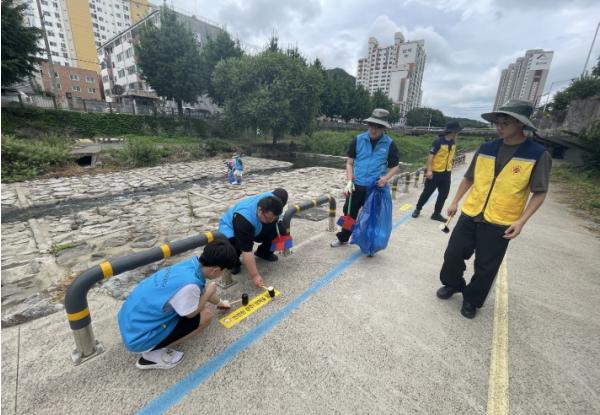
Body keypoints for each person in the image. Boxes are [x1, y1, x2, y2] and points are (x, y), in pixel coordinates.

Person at [435, 100, 552, 319]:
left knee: (486, 266)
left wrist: (521, 221)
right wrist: (455, 201)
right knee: (453, 253)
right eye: (497, 123)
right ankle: (453, 283)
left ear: (520, 124)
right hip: (472, 212)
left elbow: (540, 192)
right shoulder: (486, 148)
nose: (499, 127)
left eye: (505, 123)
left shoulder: (537, 154)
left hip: (501, 220)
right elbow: (469, 177)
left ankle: (472, 299)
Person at [117, 239, 238, 370]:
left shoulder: (190, 266)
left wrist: (220, 302)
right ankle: (152, 354)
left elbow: (200, 292)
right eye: (223, 271)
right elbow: (190, 314)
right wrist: (209, 292)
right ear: (215, 270)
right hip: (139, 338)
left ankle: (153, 343)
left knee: (199, 304)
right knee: (206, 315)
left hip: (129, 322)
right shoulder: (191, 285)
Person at [330, 108, 400, 247]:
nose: (374, 130)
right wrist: (349, 181)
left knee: (372, 217)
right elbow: (349, 163)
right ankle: (343, 238)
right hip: (356, 185)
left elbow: (395, 166)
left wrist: (385, 179)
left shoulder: (389, 144)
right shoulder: (358, 139)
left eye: (378, 127)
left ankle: (368, 243)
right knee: (348, 212)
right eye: (371, 125)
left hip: (375, 187)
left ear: (384, 128)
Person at [218, 188, 289, 288]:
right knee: (235, 248)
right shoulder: (244, 218)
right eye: (269, 218)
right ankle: (234, 263)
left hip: (257, 225)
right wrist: (255, 276)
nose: (272, 220)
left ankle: (264, 253)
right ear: (260, 210)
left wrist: (286, 245)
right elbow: (247, 250)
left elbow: (275, 220)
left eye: (274, 217)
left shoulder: (275, 202)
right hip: (232, 227)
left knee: (279, 228)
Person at [412, 122, 463, 221]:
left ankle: (436, 214)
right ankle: (418, 209)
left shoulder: (453, 142)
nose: (458, 133)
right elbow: (430, 157)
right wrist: (429, 171)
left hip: (446, 173)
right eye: (457, 132)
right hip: (435, 172)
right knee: (427, 192)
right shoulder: (438, 142)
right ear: (452, 131)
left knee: (444, 194)